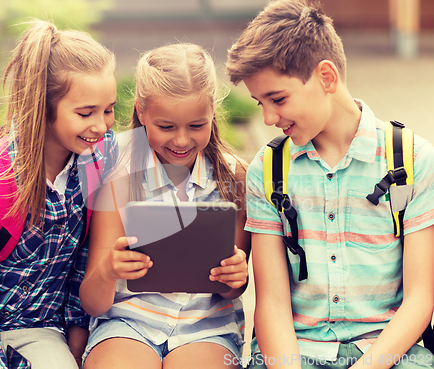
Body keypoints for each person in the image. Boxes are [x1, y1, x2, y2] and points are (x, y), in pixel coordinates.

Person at [226, 0, 434, 368]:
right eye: (260, 103)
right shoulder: (268, 169)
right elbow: (272, 302)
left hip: (390, 352)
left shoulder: (412, 160)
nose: (270, 117)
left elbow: (420, 298)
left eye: (278, 99)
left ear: (326, 77)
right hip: (295, 352)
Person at [0, 20, 118, 369]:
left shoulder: (98, 159)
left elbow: (84, 261)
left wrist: (76, 342)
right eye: (85, 113)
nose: (102, 125)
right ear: (43, 107)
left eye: (108, 110)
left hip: (40, 327)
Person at [79, 43, 251, 369]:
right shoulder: (119, 178)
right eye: (166, 127)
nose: (182, 141)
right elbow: (93, 302)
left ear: (212, 111)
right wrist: (109, 270)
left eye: (196, 126)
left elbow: (233, 290)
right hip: (126, 325)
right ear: (142, 112)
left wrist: (237, 276)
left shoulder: (233, 177)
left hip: (207, 329)